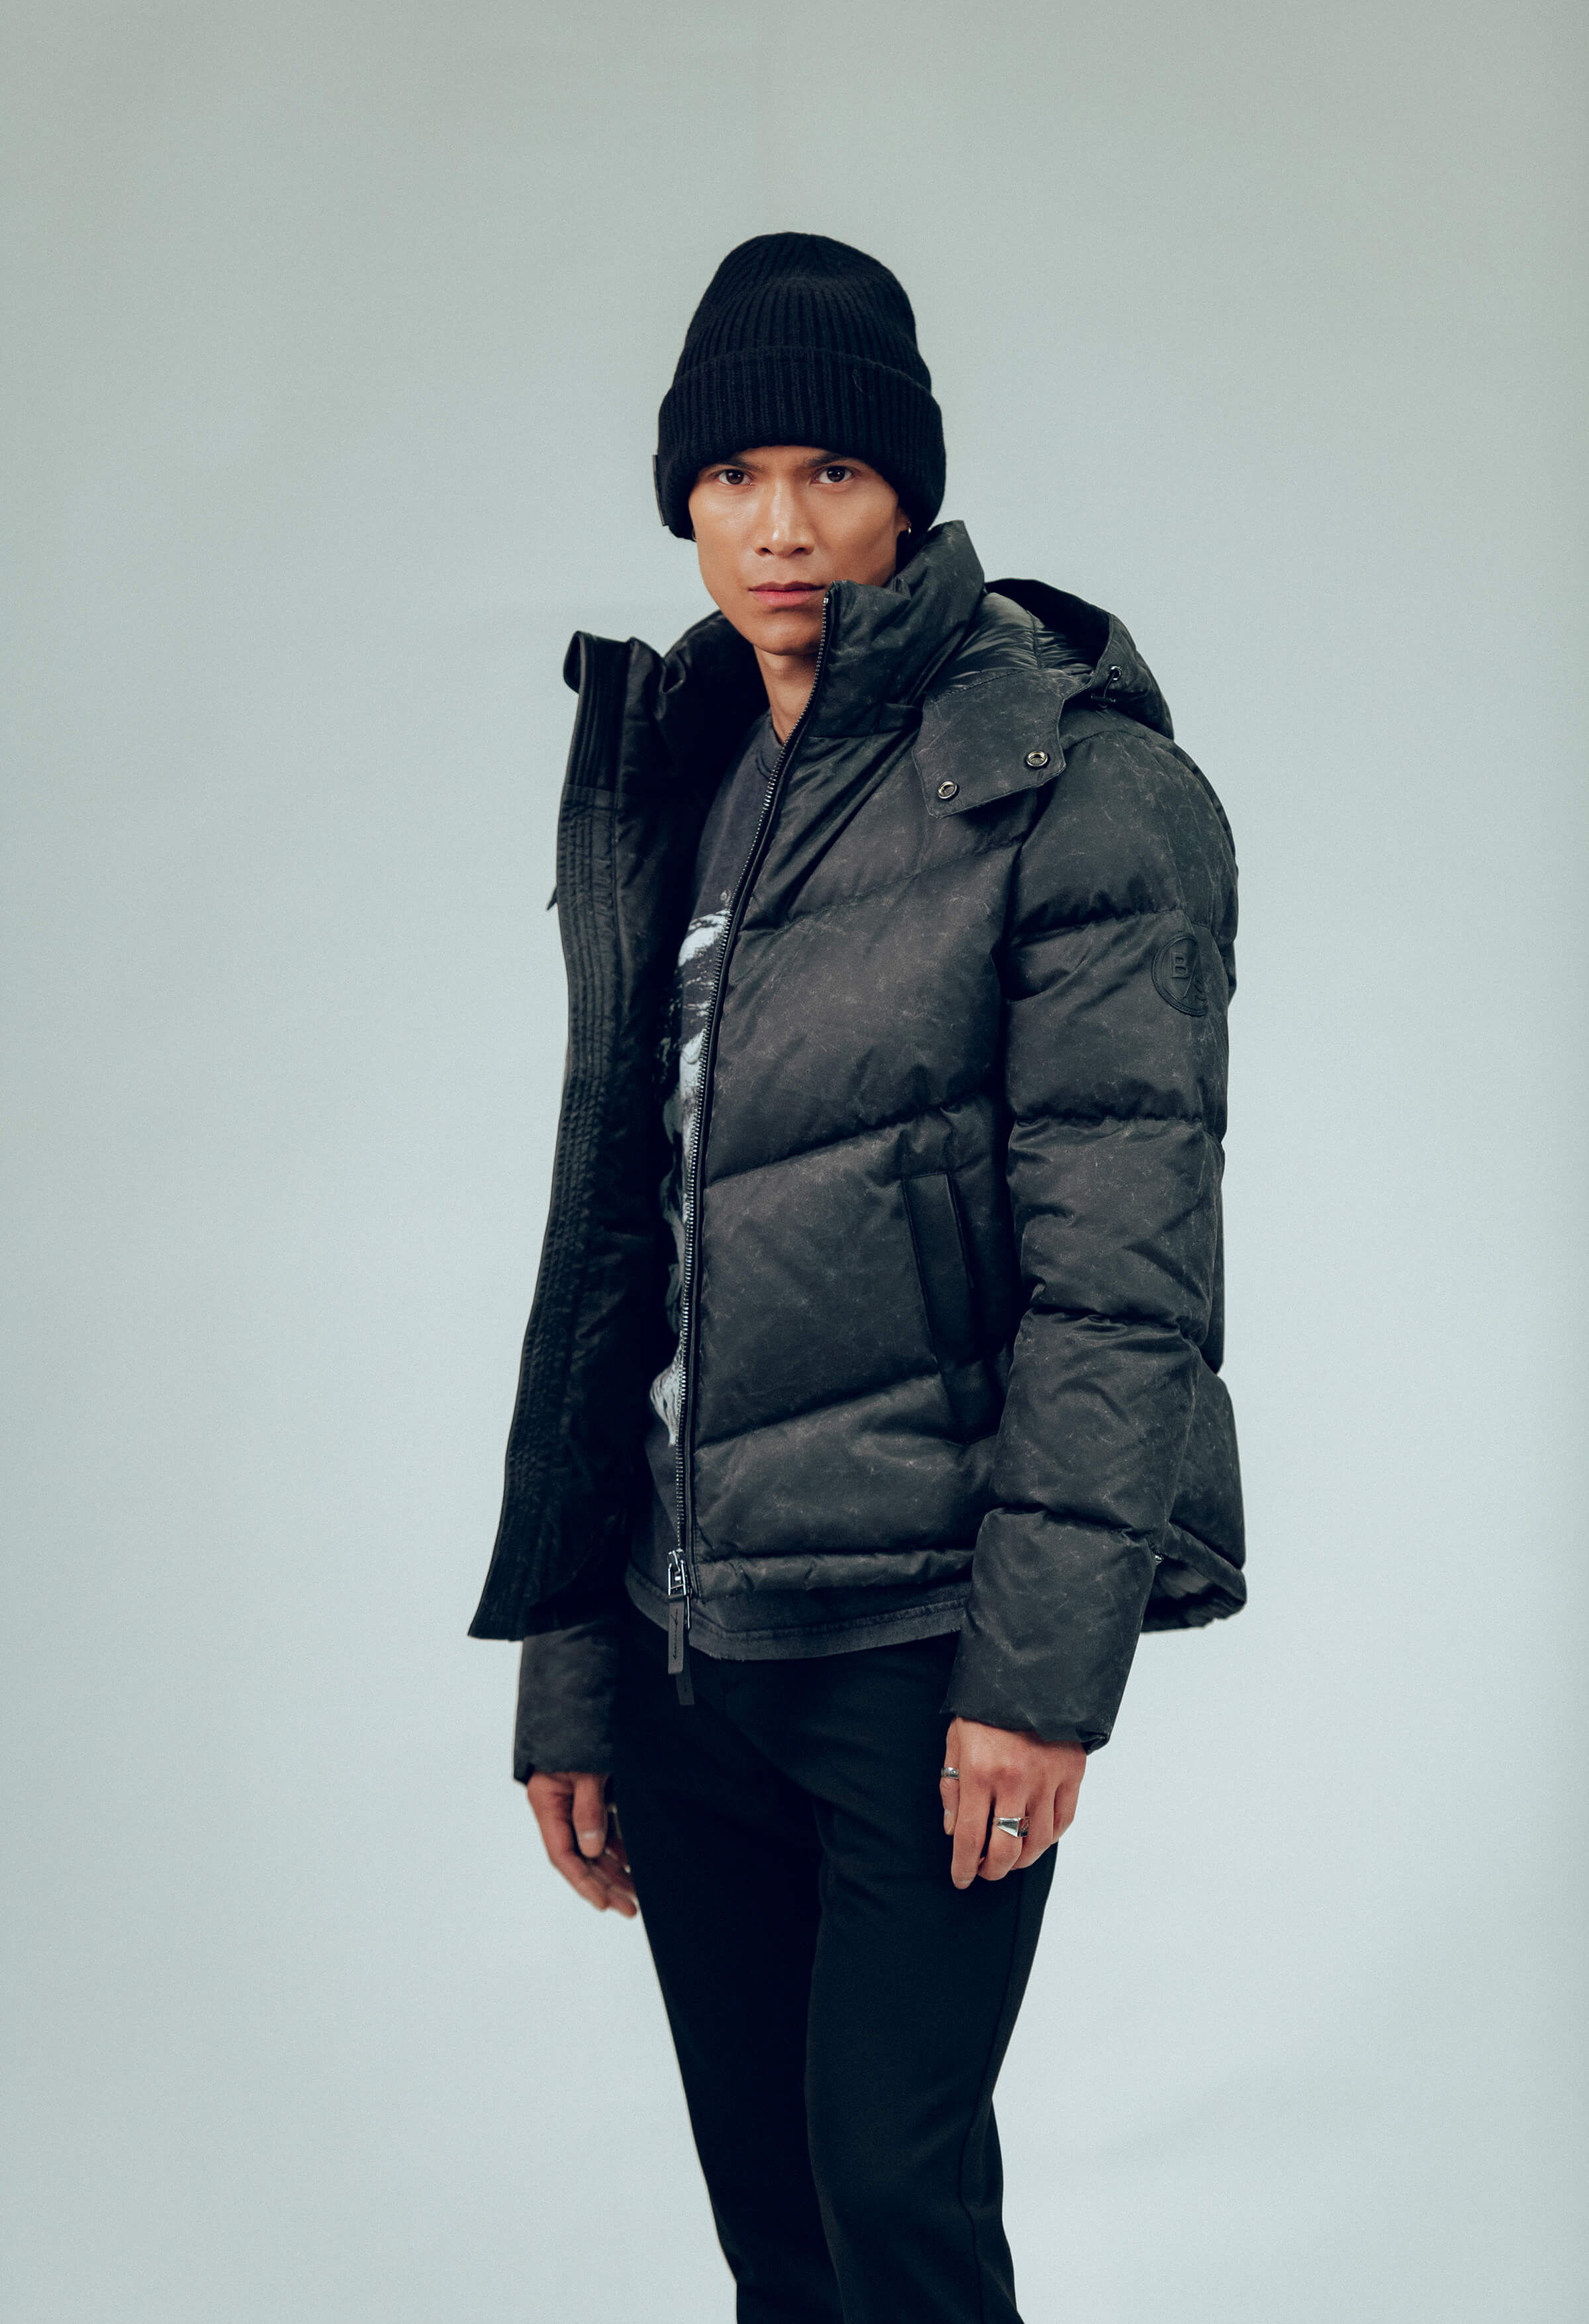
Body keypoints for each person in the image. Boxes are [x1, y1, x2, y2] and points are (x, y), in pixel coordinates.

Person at [469, 232, 1245, 2323]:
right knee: (782, 2242)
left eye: (832, 470)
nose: (784, 527)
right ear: (686, 503)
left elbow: (1127, 1280)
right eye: (735, 478)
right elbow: (619, 1239)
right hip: (687, 1642)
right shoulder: (683, 770)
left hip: (921, 1641)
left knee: (891, 2202)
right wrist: (575, 1657)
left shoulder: (1073, 783)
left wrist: (1038, 1678)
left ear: (909, 490)